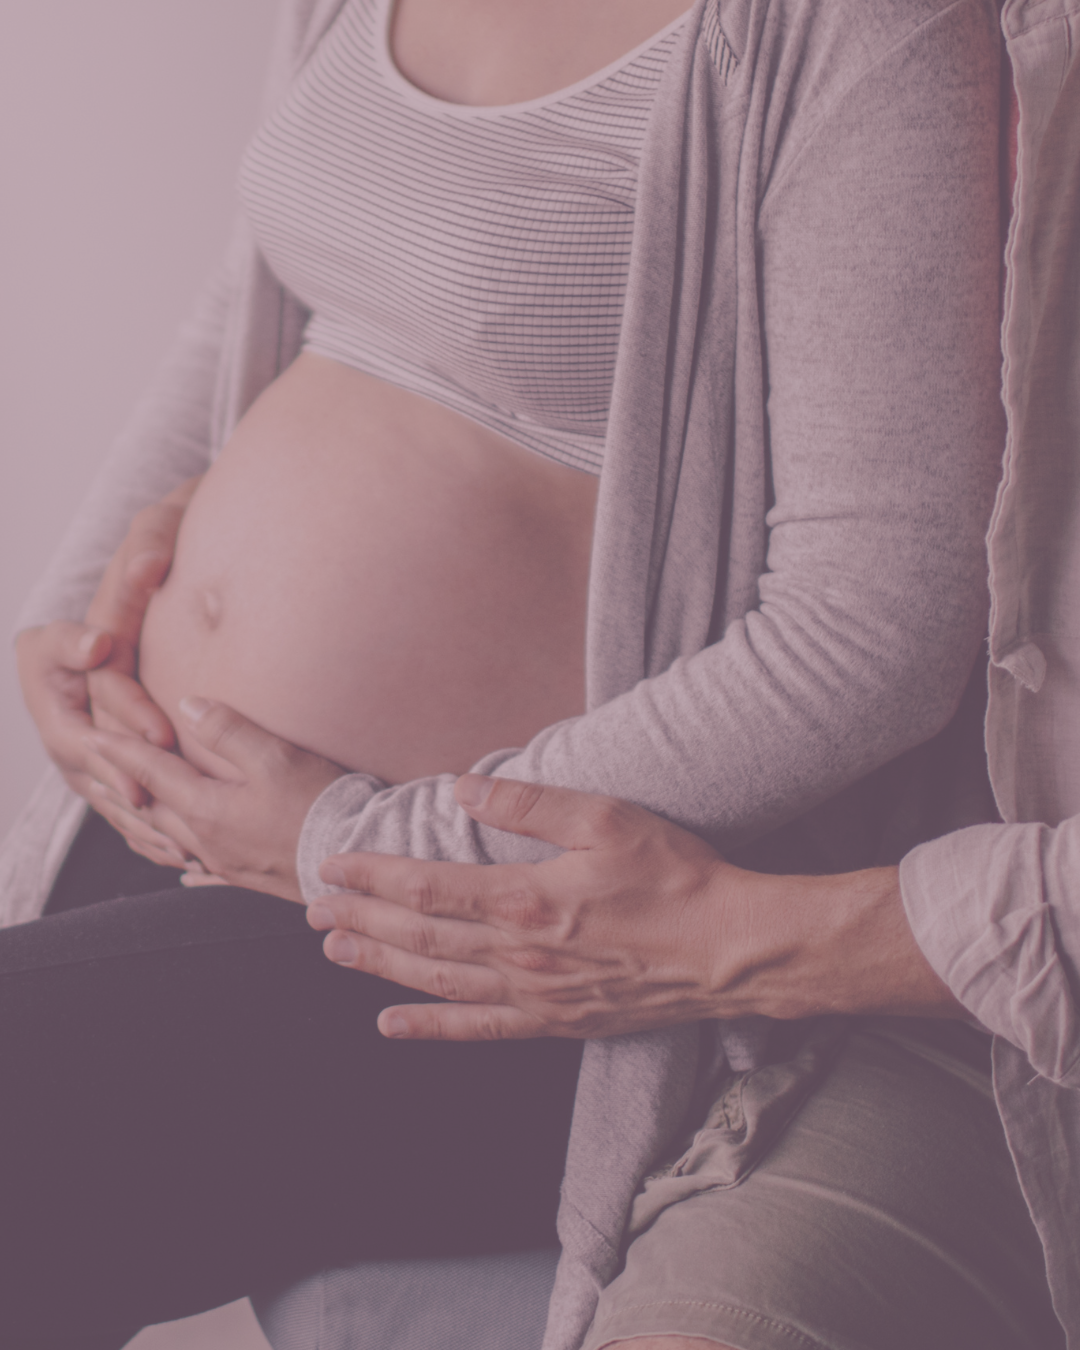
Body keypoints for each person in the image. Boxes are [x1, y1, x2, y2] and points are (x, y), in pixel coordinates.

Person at [0, 0, 1043, 1348]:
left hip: (478, 936)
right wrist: (70, 616)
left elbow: (873, 635)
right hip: (172, 812)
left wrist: (361, 842)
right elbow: (270, 279)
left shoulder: (850, 30)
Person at [290, 6, 1080, 1345]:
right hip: (893, 962)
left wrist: (742, 937)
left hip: (826, 952)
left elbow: (868, 630)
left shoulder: (866, 38)